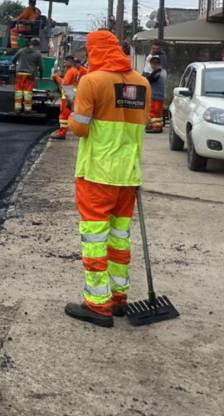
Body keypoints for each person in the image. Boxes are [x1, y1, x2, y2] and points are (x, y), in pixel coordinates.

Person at [65, 30, 150, 328]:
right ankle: (119, 298)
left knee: (95, 238)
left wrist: (70, 112)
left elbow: (80, 128)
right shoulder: (142, 83)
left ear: (95, 51)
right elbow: (147, 124)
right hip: (128, 177)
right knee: (119, 238)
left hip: (97, 174)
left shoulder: (91, 81)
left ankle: (97, 304)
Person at [50, 55, 82, 140]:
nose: (64, 64)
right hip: (72, 94)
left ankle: (61, 133)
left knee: (64, 115)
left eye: (65, 62)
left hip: (68, 95)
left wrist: (56, 77)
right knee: (69, 114)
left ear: (70, 62)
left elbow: (65, 83)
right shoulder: (76, 71)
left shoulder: (71, 71)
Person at [11, 37, 43, 113]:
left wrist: (15, 64)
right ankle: (27, 109)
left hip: (19, 74)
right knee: (27, 93)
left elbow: (13, 60)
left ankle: (17, 109)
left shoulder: (21, 51)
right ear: (37, 45)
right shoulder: (38, 53)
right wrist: (41, 75)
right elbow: (41, 66)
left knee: (18, 92)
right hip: (30, 75)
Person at [142, 55, 166, 133]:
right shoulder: (163, 71)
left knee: (154, 112)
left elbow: (149, 79)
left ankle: (156, 127)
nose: (151, 67)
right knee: (158, 113)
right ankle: (158, 126)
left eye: (151, 65)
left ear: (154, 64)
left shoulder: (157, 72)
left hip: (155, 95)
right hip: (160, 95)